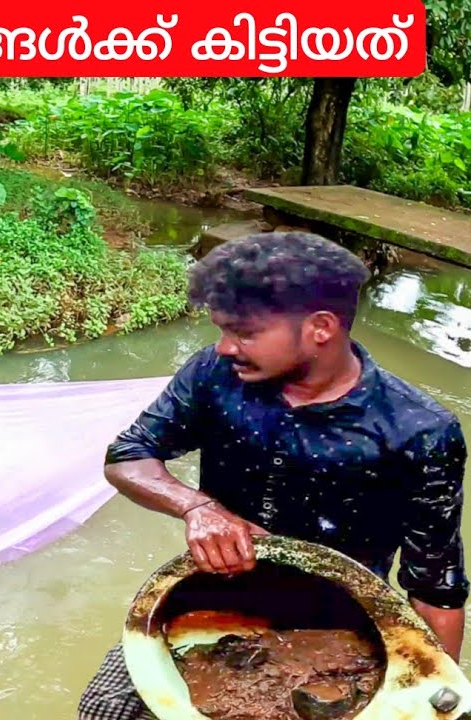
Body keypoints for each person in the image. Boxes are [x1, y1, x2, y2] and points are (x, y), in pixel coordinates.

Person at [78, 232, 468, 720]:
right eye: (221, 330)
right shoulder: (214, 376)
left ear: (320, 327)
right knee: (104, 709)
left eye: (243, 332)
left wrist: (433, 695)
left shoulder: (419, 431)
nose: (224, 347)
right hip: (204, 604)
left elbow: (436, 588)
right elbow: (127, 455)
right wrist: (199, 507)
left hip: (339, 631)